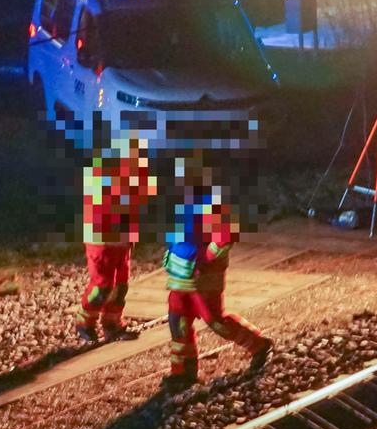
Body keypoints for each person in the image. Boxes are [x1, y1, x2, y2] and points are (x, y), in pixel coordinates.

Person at [162, 151, 272, 393]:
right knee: (178, 323)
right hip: (180, 276)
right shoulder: (183, 204)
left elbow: (225, 237)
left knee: (216, 321)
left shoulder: (212, 205)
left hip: (203, 278)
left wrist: (206, 258)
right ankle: (182, 373)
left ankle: (259, 345)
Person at [75, 134, 155, 342]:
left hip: (122, 240)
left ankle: (112, 325)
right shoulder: (102, 173)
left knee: (120, 286)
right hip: (102, 240)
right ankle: (85, 321)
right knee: (103, 285)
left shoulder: (135, 172)